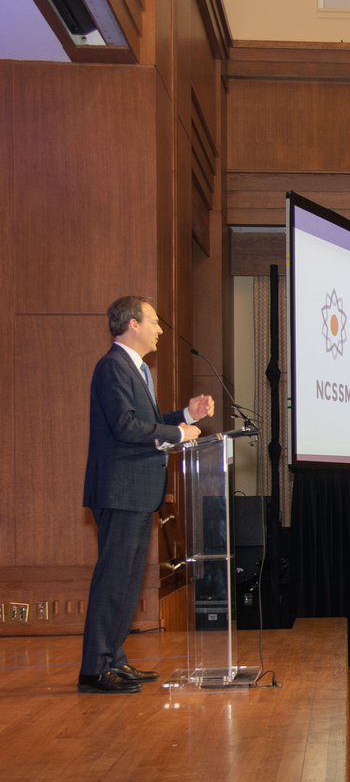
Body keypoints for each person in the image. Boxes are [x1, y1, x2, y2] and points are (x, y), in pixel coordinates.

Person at [79, 296, 214, 694]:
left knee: (128, 581)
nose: (160, 330)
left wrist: (186, 417)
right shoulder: (112, 367)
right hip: (120, 491)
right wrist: (178, 434)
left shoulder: (136, 370)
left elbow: (147, 424)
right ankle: (95, 669)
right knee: (113, 579)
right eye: (154, 321)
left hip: (136, 492)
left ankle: (114, 659)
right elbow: (125, 427)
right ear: (133, 324)